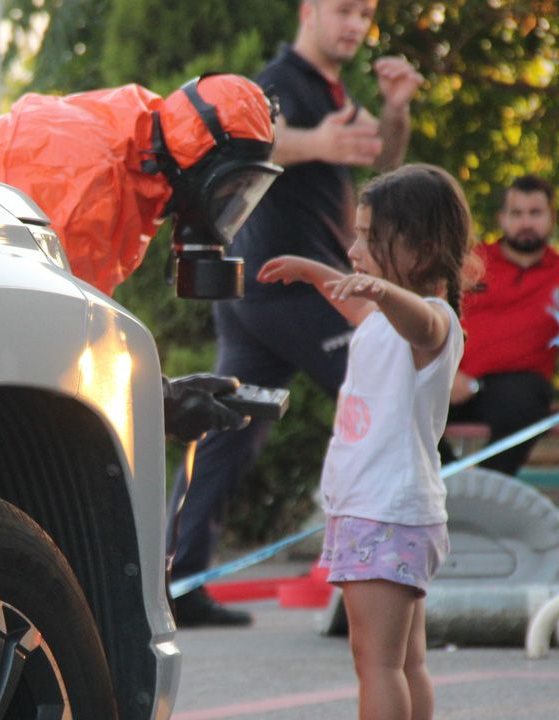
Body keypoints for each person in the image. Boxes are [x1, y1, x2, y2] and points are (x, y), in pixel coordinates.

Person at [166, 0, 425, 627]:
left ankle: (178, 585)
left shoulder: (328, 89)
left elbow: (383, 161)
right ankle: (367, 594)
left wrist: (395, 109)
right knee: (390, 407)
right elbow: (242, 136)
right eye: (343, 11)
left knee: (228, 435)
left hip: (266, 298)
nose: (356, 25)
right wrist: (318, 141)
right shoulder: (279, 81)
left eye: (365, 14)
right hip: (295, 290)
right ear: (309, 11)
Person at [0, 75, 281, 442]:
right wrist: (160, 402)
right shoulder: (92, 183)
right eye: (229, 188)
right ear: (200, 164)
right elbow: (55, 342)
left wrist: (160, 393)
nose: (231, 205)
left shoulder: (134, 144)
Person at [259, 163, 473, 720]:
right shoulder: (382, 315)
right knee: (404, 661)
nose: (354, 248)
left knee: (375, 662)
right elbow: (357, 303)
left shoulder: (435, 320)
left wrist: (380, 288)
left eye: (369, 237)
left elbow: (419, 324)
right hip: (385, 511)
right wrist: (312, 273)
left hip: (387, 512)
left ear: (422, 251)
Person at [444, 175, 559, 476]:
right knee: (404, 401)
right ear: (502, 219)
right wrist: (448, 372)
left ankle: (482, 495)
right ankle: (446, 483)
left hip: (515, 391)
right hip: (451, 379)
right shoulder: (471, 263)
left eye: (535, 213)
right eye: (516, 213)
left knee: (527, 403)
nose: (526, 222)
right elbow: (432, 314)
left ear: (551, 217)